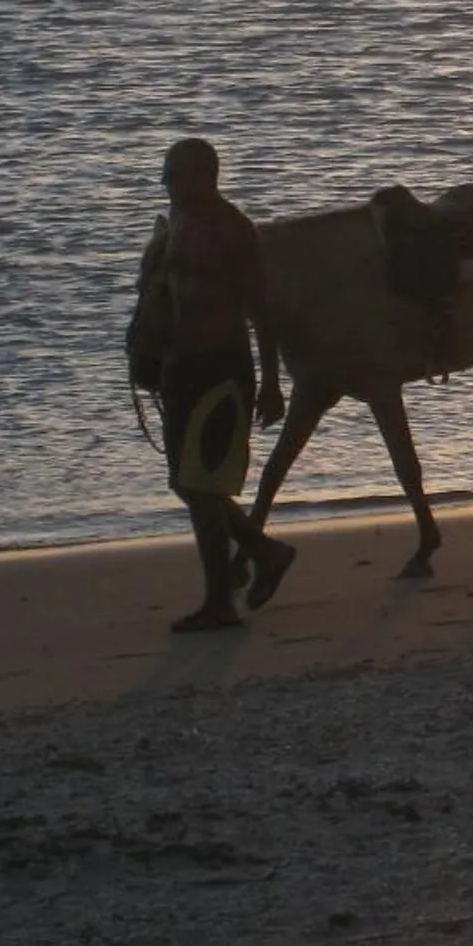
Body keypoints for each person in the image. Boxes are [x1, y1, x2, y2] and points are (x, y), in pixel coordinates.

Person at [152, 137, 293, 630]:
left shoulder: (234, 230)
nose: (166, 183)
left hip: (220, 369)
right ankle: (264, 551)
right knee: (185, 483)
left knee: (202, 483)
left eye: (174, 174)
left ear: (204, 176)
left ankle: (220, 602)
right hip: (179, 369)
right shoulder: (176, 222)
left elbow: (262, 311)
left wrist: (272, 381)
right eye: (165, 174)